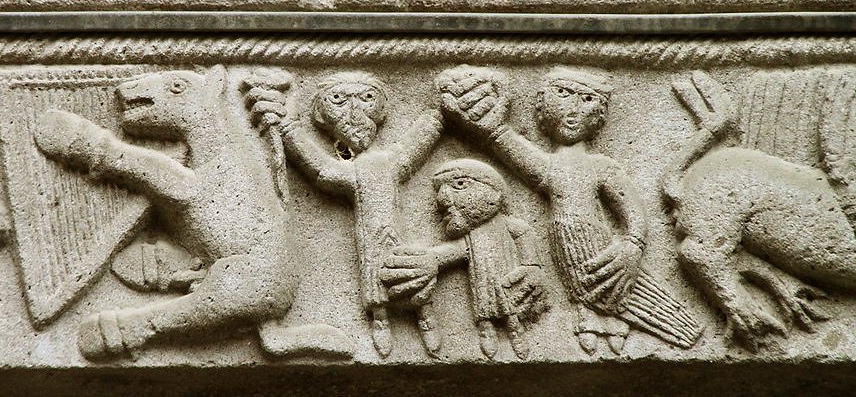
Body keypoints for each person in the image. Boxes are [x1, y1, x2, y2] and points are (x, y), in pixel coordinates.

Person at [433, 65, 701, 354]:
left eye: (587, 100)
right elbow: (515, 152)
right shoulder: (551, 166)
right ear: (543, 106)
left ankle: (636, 322)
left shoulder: (601, 166)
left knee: (622, 291)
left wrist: (633, 246)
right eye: (563, 94)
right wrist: (494, 128)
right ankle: (591, 313)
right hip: (567, 248)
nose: (573, 109)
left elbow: (631, 210)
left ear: (599, 116)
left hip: (599, 245)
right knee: (584, 287)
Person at [246, 71, 445, 357]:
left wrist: (440, 112)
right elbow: (323, 169)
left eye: (366, 99)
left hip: (396, 235)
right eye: (339, 100)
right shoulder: (354, 171)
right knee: (375, 280)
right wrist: (286, 126)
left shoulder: (391, 161)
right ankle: (381, 321)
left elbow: (419, 141)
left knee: (411, 276)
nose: (354, 111)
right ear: (322, 115)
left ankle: (424, 317)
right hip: (370, 239)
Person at [381, 158, 548, 359]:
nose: (442, 199)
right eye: (440, 190)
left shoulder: (514, 227)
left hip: (510, 285)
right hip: (482, 286)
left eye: (459, 184)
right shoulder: (470, 238)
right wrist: (432, 259)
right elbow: (453, 252)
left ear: (495, 193)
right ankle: (487, 332)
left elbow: (530, 256)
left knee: (512, 314)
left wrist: (533, 269)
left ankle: (515, 333)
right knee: (484, 311)